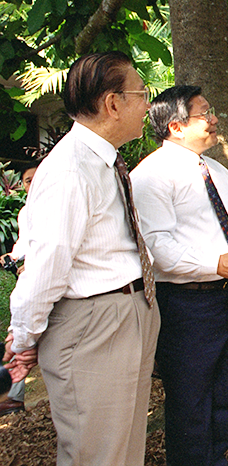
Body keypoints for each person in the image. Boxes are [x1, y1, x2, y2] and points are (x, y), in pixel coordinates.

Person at [3, 51, 160, 465]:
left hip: (127, 313)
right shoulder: (70, 170)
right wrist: (23, 338)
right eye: (141, 93)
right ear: (112, 103)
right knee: (97, 454)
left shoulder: (102, 162)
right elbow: (45, 268)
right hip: (94, 326)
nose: (148, 104)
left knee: (124, 449)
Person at [131, 85, 228, 466]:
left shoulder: (217, 170)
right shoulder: (151, 176)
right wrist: (215, 263)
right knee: (189, 397)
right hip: (185, 304)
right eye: (205, 114)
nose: (215, 121)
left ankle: (210, 456)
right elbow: (157, 248)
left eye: (212, 112)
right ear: (176, 127)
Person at [0, 161, 39, 417]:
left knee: (25, 330)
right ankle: (14, 395)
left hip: (47, 277)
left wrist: (35, 265)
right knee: (20, 328)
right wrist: (12, 258)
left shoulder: (57, 203)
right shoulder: (25, 211)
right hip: (31, 278)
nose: (32, 183)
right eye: (27, 180)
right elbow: (24, 243)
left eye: (37, 177)